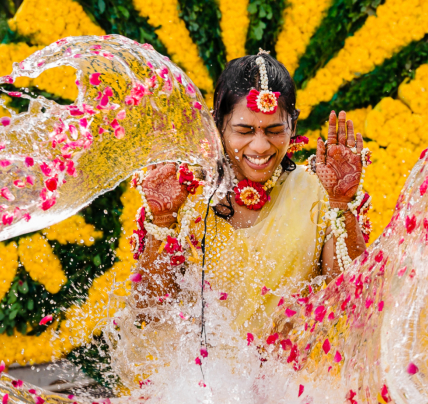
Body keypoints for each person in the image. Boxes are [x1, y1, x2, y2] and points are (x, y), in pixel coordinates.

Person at [130, 51, 372, 335]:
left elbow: (350, 307)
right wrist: (163, 219)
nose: (260, 147)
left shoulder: (319, 192)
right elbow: (150, 314)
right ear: (217, 127)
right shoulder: (186, 196)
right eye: (244, 131)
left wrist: (341, 204)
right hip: (202, 377)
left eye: (274, 130)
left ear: (292, 126)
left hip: (290, 374)